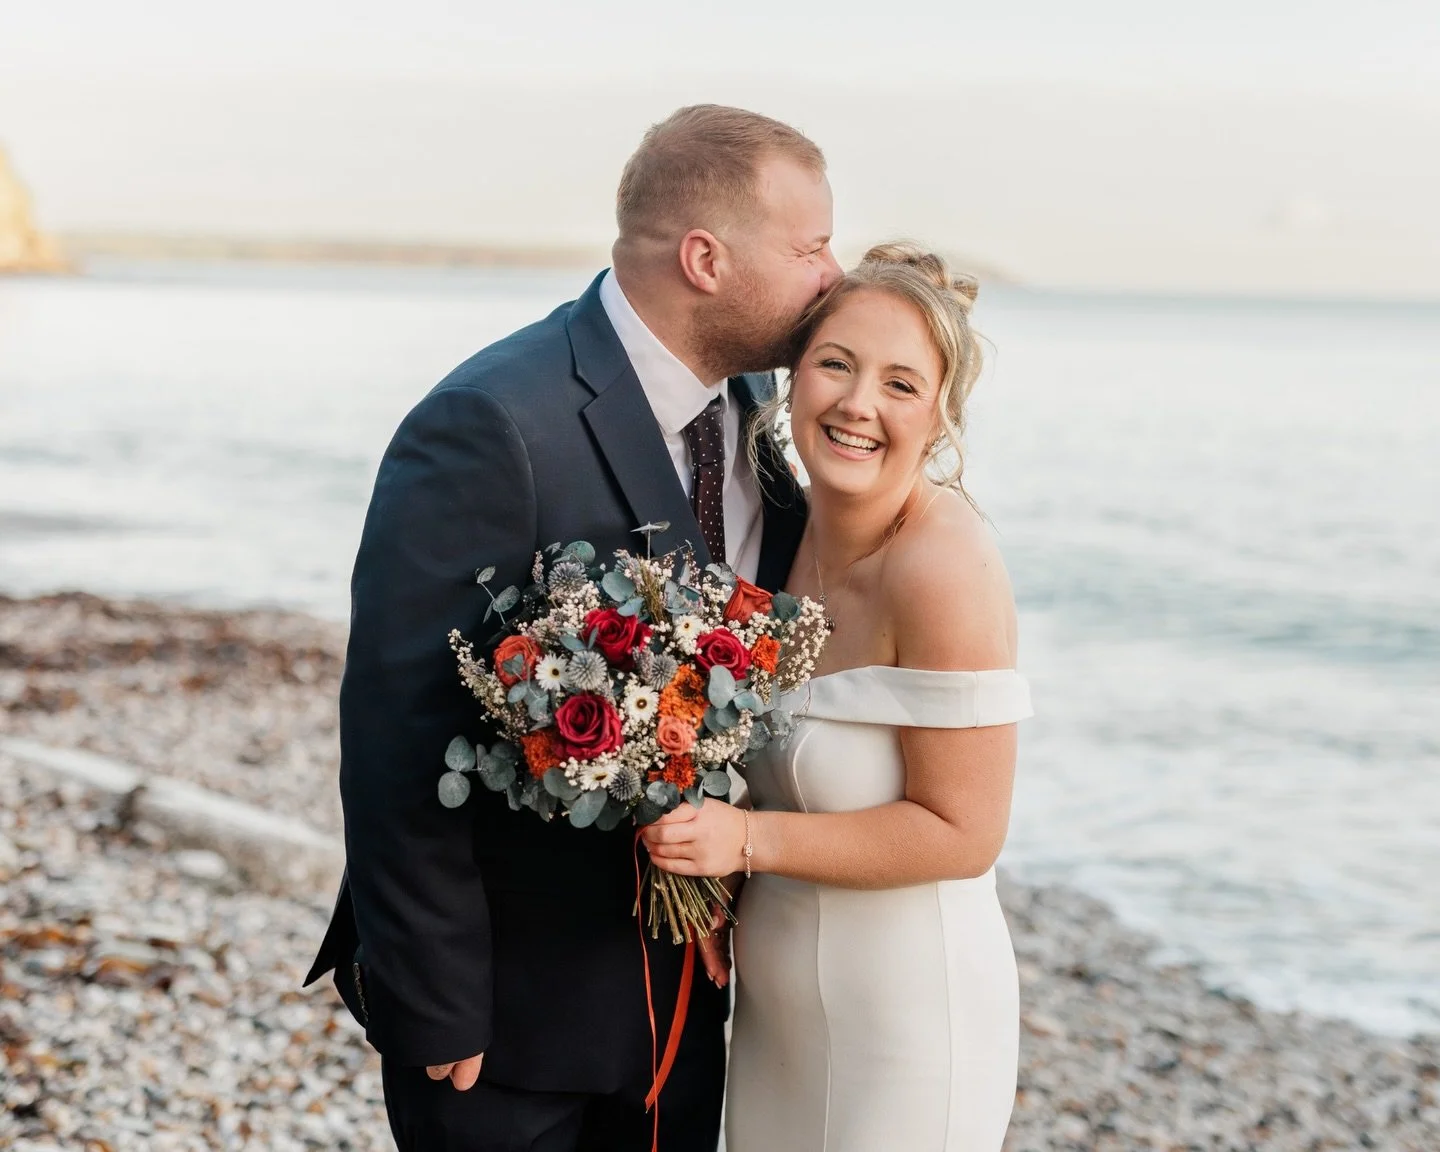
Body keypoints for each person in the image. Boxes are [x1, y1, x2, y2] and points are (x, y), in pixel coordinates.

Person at [303, 104, 842, 1151]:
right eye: (810, 248)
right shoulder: (492, 421)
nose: (833, 275)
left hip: (684, 1001)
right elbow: (395, 730)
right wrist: (435, 997)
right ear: (706, 260)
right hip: (509, 1022)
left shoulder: (756, 408)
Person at [642, 243, 1033, 1151]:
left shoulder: (944, 566)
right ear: (791, 379)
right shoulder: (780, 532)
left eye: (901, 384)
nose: (859, 404)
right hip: (776, 1024)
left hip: (906, 1028)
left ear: (942, 413)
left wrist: (746, 842)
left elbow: (965, 831)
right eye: (836, 364)